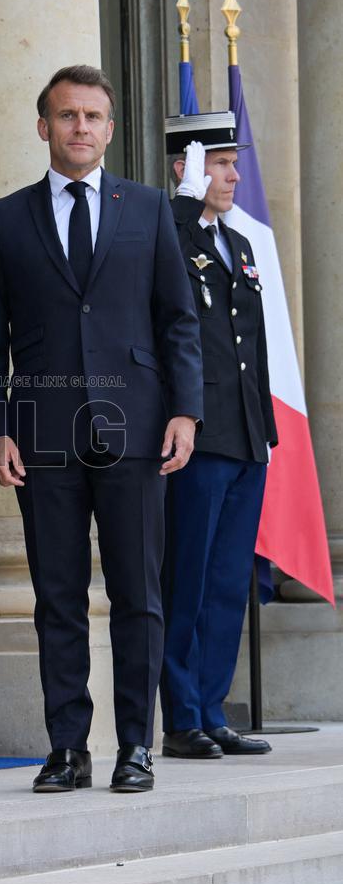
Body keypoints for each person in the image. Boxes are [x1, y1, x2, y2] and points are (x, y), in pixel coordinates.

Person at [0, 65, 203, 793]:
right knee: (58, 593)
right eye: (67, 116)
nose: (81, 128)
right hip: (41, 434)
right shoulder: (6, 218)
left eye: (93, 117)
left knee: (138, 592)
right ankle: (67, 748)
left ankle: (135, 745)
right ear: (44, 127)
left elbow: (178, 319)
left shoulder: (146, 210)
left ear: (110, 128)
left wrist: (185, 410)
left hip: (136, 427)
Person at [160, 112, 277, 759]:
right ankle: (181, 716)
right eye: (221, 163)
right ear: (186, 168)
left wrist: (265, 431)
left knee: (231, 580)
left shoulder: (240, 245)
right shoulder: (171, 233)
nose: (234, 175)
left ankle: (212, 705)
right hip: (198, 439)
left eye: (233, 163)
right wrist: (183, 203)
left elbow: (249, 348)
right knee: (190, 577)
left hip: (244, 437)